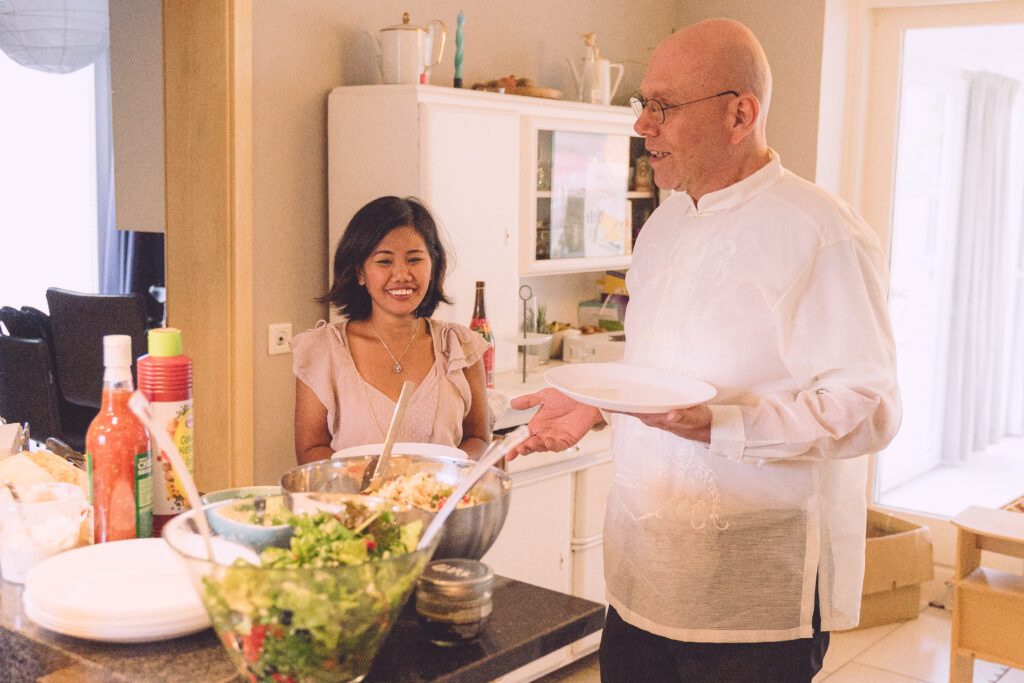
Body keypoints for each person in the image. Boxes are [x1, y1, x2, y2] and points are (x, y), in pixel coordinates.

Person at [509, 18, 900, 683]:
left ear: (740, 114)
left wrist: (722, 423)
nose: (641, 127)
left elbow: (872, 407)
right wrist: (593, 404)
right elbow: (660, 373)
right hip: (639, 581)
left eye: (662, 106)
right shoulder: (664, 223)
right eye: (644, 106)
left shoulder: (821, 231)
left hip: (749, 602)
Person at [292, 196, 491, 464]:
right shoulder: (322, 351)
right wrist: (376, 484)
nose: (401, 275)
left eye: (414, 260)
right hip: (356, 504)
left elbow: (478, 437)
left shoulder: (461, 347)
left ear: (432, 268)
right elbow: (310, 449)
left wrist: (443, 474)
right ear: (360, 273)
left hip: (442, 502)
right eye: (384, 261)